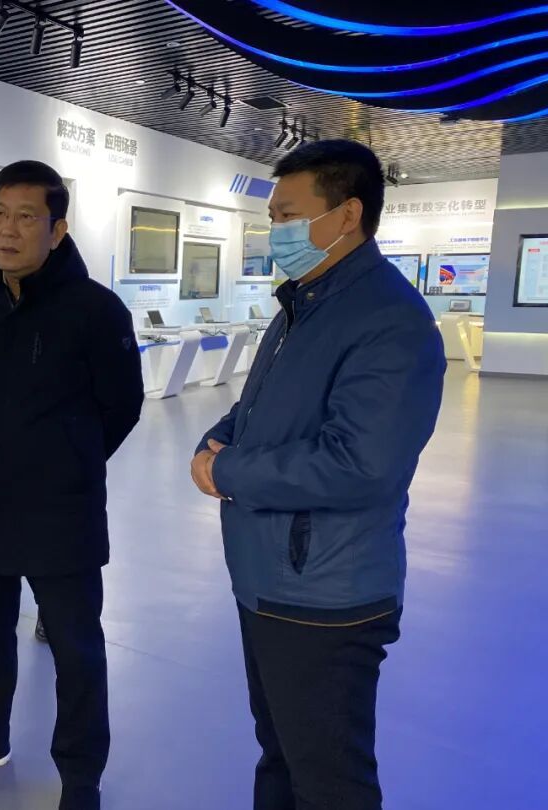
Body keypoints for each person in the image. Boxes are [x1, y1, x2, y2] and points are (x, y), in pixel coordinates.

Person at [191, 140, 446, 810]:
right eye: (272, 218)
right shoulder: (302, 305)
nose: (276, 231)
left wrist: (227, 470)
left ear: (347, 215)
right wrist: (218, 438)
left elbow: (359, 464)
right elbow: (259, 407)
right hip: (269, 578)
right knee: (279, 751)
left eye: (288, 215)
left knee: (330, 781)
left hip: (325, 597)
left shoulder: (390, 322)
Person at [0, 160, 144, 810]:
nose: (8, 230)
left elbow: (122, 405)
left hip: (61, 513)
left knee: (76, 649)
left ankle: (80, 774)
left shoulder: (95, 310)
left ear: (57, 230)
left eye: (26, 217)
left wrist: (66, 462)